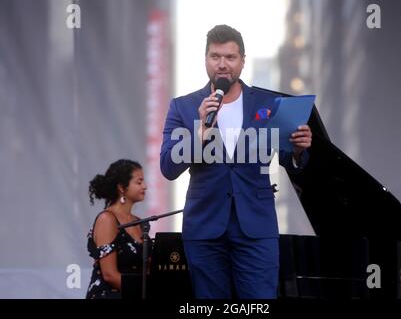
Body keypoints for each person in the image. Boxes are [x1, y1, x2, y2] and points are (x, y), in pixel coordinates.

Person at [160, 24, 312, 299]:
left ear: (242, 61)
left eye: (230, 57)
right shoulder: (183, 107)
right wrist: (200, 135)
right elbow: (168, 168)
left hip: (256, 226)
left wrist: (300, 149)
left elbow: (290, 160)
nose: (222, 64)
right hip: (205, 228)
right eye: (215, 56)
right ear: (205, 59)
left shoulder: (268, 103)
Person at [85, 159, 149, 299]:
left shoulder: (139, 222)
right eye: (139, 182)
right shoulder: (107, 219)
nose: (145, 186)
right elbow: (109, 275)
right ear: (122, 187)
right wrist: (146, 292)